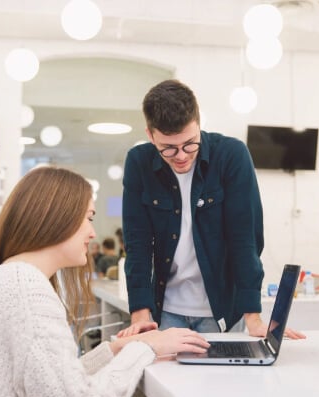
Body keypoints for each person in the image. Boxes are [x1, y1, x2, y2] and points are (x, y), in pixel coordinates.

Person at [0, 167, 209, 397]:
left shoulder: (9, 279)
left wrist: (118, 350)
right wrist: (147, 349)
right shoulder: (25, 289)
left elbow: (55, 383)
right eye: (88, 218)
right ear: (56, 218)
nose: (92, 233)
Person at [118, 79, 305, 340]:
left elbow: (245, 239)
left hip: (220, 310)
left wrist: (253, 317)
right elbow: (137, 243)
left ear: (198, 123)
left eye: (189, 143)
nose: (181, 156)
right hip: (167, 310)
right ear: (150, 135)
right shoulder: (138, 162)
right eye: (168, 149)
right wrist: (140, 314)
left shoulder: (231, 155)